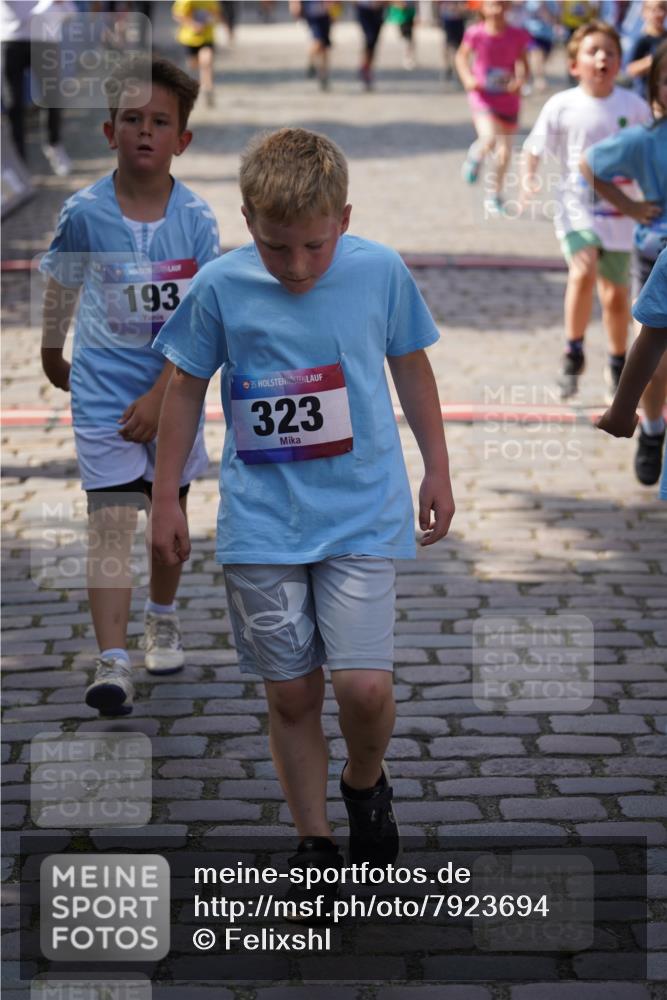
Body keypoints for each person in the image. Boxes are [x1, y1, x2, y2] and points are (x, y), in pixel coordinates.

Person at [150, 128, 455, 894]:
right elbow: (184, 388)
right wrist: (164, 498)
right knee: (290, 690)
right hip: (263, 519)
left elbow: (411, 370)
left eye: (315, 247)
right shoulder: (220, 285)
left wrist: (437, 469)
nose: (296, 267)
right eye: (278, 248)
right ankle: (313, 839)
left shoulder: (378, 271)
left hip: (361, 506)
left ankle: (363, 778)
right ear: (248, 218)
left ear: (344, 220)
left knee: (363, 689)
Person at [39, 55, 220, 717]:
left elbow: (201, 320)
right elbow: (60, 279)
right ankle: (112, 658)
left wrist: (162, 395)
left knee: (165, 515)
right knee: (113, 523)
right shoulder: (84, 212)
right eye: (133, 120)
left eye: (160, 122)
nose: (146, 131)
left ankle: (162, 614)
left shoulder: (197, 221)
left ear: (182, 138)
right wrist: (50, 351)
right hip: (103, 394)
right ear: (109, 130)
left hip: (176, 395)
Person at [522, 20, 652, 401]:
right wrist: (529, 178)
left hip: (622, 214)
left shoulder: (635, 107)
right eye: (592, 52)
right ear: (575, 64)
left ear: (618, 62)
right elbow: (533, 148)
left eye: (609, 52)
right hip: (576, 208)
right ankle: (573, 350)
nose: (602, 58)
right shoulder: (562, 105)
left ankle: (616, 361)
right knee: (584, 265)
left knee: (615, 298)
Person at [581, 40, 667, 485]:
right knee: (654, 357)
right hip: (654, 258)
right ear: (657, 88)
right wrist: (631, 208)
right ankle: (653, 431)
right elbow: (590, 164)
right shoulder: (645, 140)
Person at [596, 247, 667, 500]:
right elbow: (651, 340)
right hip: (649, 247)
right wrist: (622, 410)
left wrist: (622, 411)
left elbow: (651, 341)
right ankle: (653, 430)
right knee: (658, 374)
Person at [455, 0, 531, 217]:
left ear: (507, 7)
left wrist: (520, 81)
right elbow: (461, 57)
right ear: (482, 8)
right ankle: (475, 156)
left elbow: (524, 65)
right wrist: (468, 78)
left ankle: (494, 195)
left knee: (506, 152)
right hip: (483, 96)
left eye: (500, 5)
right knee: (488, 138)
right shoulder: (475, 33)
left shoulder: (517, 35)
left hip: (508, 98)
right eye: (492, 5)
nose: (496, 10)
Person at [0, 0, 73, 176]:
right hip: (12, 39)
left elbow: (70, 11)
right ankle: (19, 160)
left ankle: (54, 144)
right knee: (14, 104)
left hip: (45, 39)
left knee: (53, 96)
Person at [172, 0, 219, 107]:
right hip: (189, 39)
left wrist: (211, 19)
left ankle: (208, 88)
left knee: (207, 61)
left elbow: (216, 14)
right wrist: (193, 24)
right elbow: (177, 15)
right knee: (193, 65)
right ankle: (198, 85)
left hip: (207, 37)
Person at [626, 0, 667, 100]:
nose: (658, 14)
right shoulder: (642, 40)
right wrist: (655, 60)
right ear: (644, 13)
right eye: (652, 10)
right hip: (645, 96)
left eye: (661, 9)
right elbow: (630, 69)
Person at [290, 0, 334, 91]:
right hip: (312, 14)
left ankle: (323, 75)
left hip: (326, 14)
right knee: (318, 42)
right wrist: (295, 5)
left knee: (325, 48)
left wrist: (336, 9)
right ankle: (311, 61)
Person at [354, 0, 387, 90]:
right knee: (369, 39)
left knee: (373, 43)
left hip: (378, 10)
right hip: (364, 9)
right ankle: (365, 67)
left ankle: (368, 68)